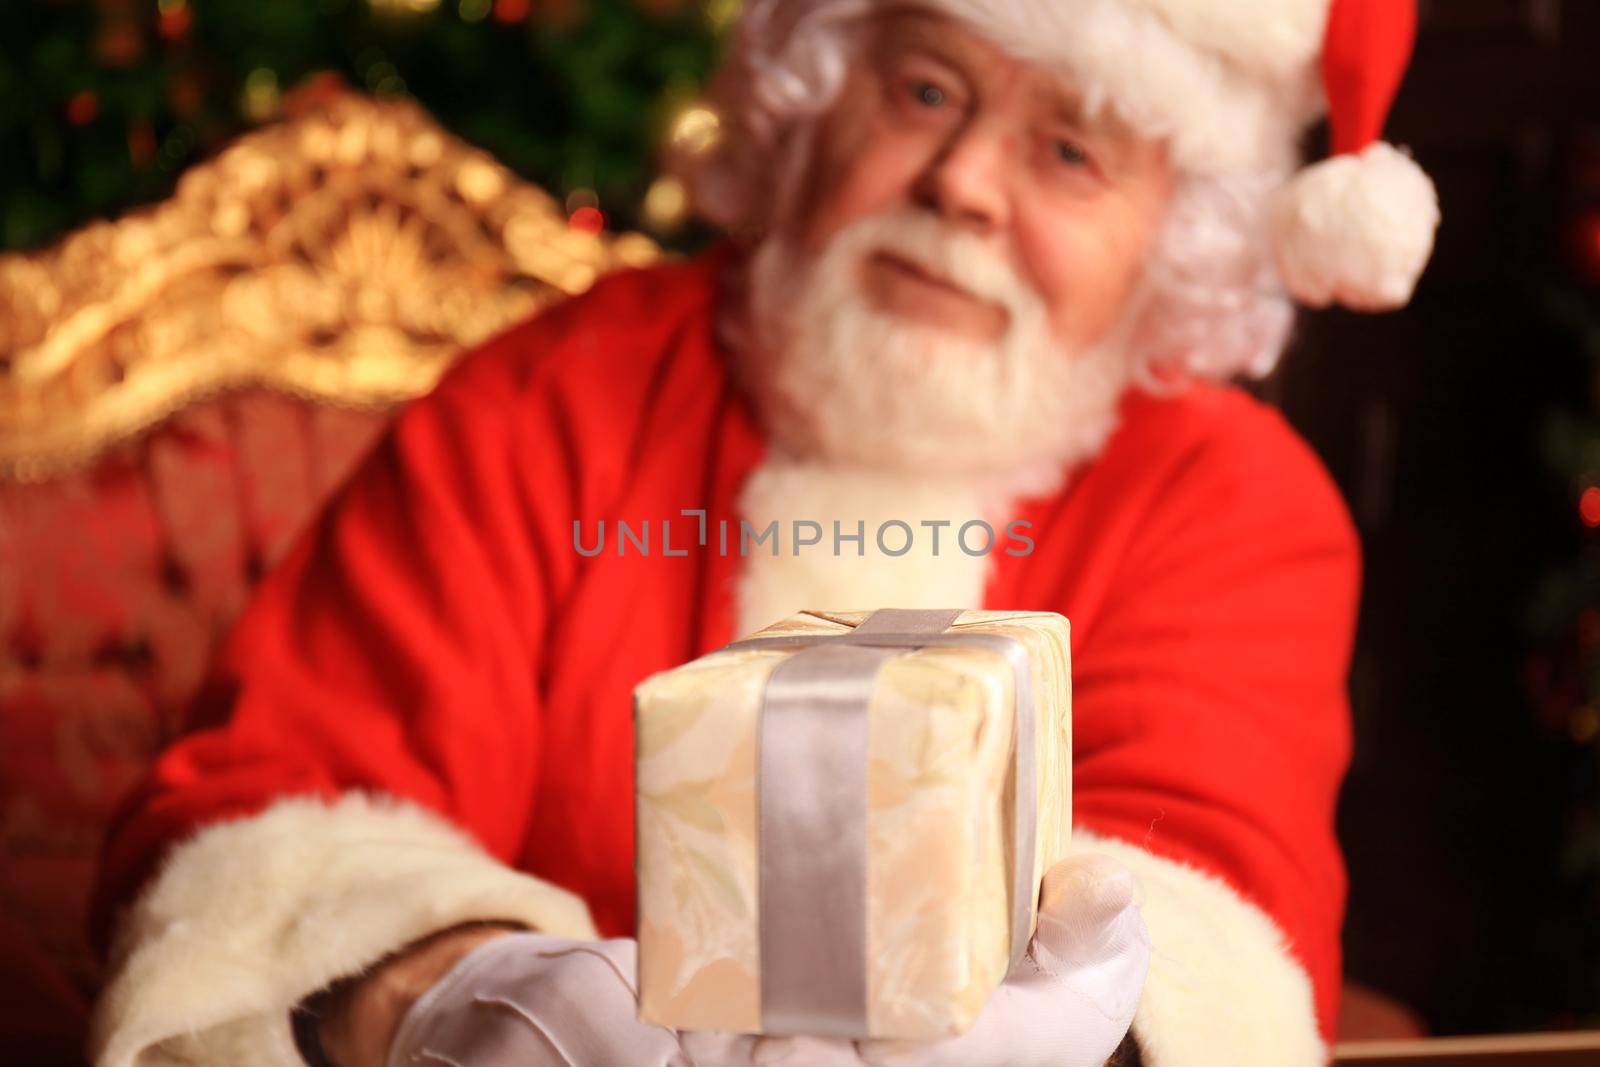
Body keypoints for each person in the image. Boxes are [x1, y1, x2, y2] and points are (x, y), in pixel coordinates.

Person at [85, 0, 1441, 1065]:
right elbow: (281, 793)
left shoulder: (1230, 500)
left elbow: (1212, 900)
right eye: (925, 89)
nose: (963, 181)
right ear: (811, 95)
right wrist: (446, 990)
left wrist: (1075, 1027)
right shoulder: (553, 398)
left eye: (1070, 151)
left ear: (1177, 240)